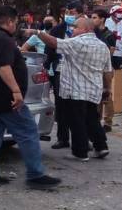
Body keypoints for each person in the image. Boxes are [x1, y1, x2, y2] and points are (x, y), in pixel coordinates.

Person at [0, 6, 61, 189]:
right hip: (7, 99)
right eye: (15, 23)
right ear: (9, 22)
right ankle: (35, 175)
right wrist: (16, 91)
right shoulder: (2, 39)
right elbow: (3, 67)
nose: (16, 26)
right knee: (28, 132)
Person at [29, 17, 112, 161]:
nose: (72, 29)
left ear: (85, 29)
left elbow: (53, 42)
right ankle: (101, 146)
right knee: (92, 118)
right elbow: (108, 71)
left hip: (76, 91)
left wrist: (37, 32)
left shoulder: (77, 42)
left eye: (75, 27)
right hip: (93, 90)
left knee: (77, 121)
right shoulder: (102, 46)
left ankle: (80, 152)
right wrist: (108, 88)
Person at [45, 2, 84, 149]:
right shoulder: (57, 30)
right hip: (60, 71)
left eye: (71, 12)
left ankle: (82, 139)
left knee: (79, 106)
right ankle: (63, 138)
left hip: (80, 72)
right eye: (66, 12)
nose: (68, 15)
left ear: (80, 13)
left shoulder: (87, 28)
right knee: (61, 105)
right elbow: (50, 49)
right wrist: (48, 65)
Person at [91, 8, 116, 131]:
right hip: (94, 68)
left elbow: (110, 54)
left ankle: (108, 122)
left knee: (107, 95)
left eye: (95, 17)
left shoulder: (109, 35)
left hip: (106, 69)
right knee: (96, 96)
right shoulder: (92, 33)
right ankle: (96, 119)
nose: (92, 20)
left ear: (102, 19)